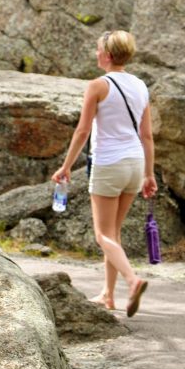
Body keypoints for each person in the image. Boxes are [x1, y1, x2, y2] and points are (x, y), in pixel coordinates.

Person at [53, 30, 157, 317]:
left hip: (109, 164)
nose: (96, 53)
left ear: (108, 55)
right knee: (114, 233)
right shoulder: (140, 86)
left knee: (102, 235)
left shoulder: (98, 86)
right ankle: (108, 295)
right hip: (135, 164)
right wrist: (149, 173)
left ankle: (132, 280)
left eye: (98, 49)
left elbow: (83, 130)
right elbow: (147, 135)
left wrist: (65, 166)